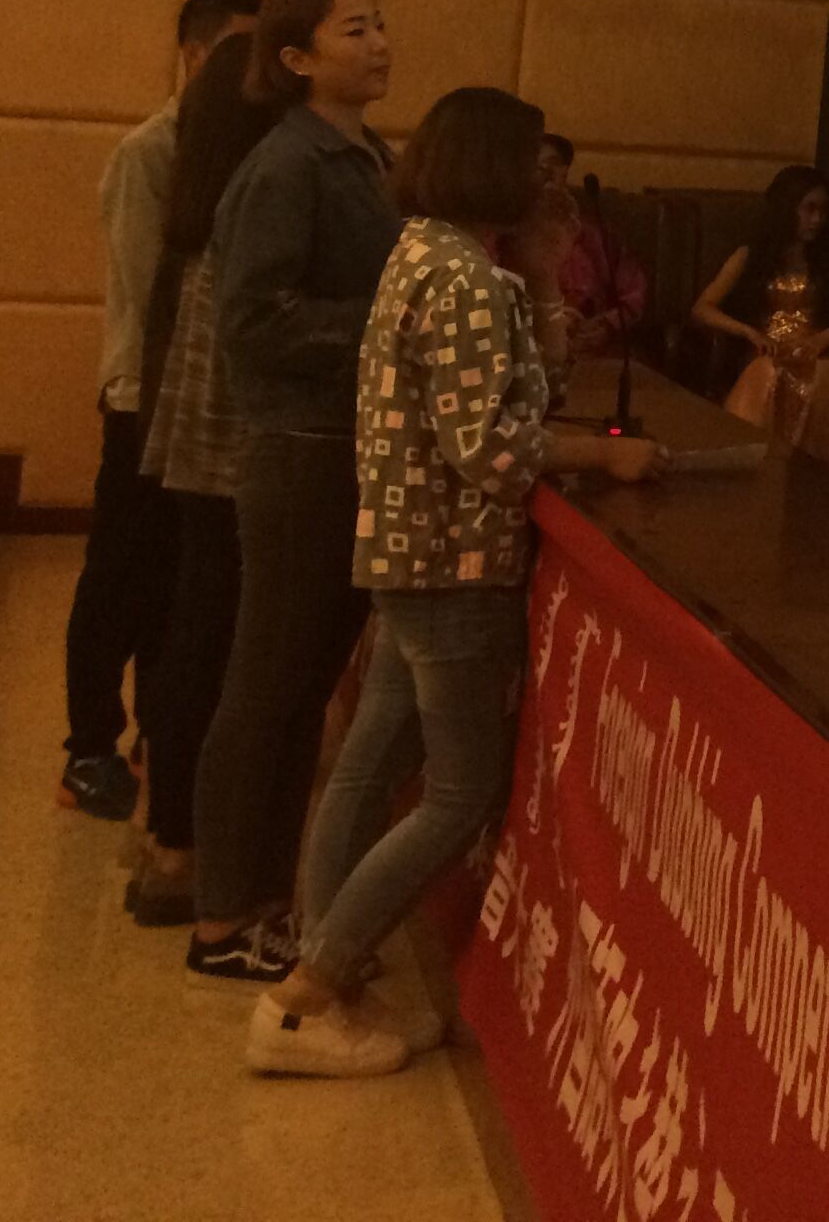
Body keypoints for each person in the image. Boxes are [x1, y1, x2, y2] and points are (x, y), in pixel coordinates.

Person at [248, 87, 658, 1079]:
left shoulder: (429, 254)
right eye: (533, 164)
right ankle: (307, 996)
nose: (546, 181)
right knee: (461, 792)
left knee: (370, 764)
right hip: (455, 561)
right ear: (493, 169)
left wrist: (548, 276)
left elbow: (530, 387)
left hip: (408, 551)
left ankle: (330, 971)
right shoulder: (467, 280)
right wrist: (604, 456)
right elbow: (490, 447)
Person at [185, 0, 402, 986]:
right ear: (297, 58)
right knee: (266, 685)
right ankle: (222, 917)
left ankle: (268, 900)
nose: (381, 43)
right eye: (355, 30)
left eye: (381, 25)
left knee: (304, 687)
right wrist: (392, 326)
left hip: (350, 450)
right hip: (303, 453)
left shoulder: (368, 158)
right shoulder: (285, 166)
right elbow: (256, 322)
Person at [59, 0, 260, 820]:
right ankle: (88, 746)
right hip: (145, 399)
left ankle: (159, 731)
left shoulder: (240, 149)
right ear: (194, 55)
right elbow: (150, 297)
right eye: (238, 53)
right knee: (121, 576)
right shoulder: (151, 152)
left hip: (197, 408)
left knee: (183, 584)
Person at [121, 31, 285, 927]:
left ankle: (165, 832)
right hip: (231, 449)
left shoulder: (204, 202)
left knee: (193, 633)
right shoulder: (250, 209)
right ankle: (182, 846)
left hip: (193, 444)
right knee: (211, 646)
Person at [692, 167, 829, 478]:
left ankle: (819, 479)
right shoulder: (750, 255)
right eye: (809, 209)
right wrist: (746, 331)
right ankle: (765, 477)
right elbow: (702, 308)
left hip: (817, 352)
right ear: (787, 208)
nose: (817, 219)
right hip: (766, 351)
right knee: (769, 377)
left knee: (822, 381)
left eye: (822, 210)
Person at [522, 133, 647, 361]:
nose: (546, 175)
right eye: (536, 167)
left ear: (565, 172)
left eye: (552, 165)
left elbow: (634, 294)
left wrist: (607, 327)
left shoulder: (597, 234)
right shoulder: (505, 234)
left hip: (594, 351)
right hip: (527, 351)